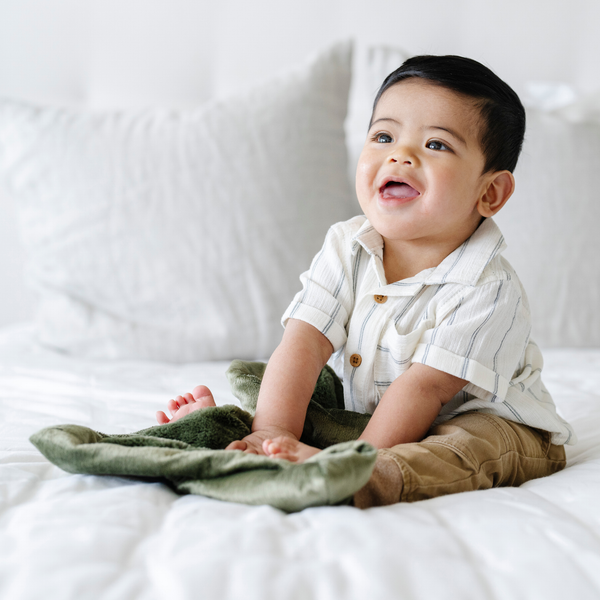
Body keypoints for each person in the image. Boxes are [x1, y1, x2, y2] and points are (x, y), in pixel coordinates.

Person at [156, 55, 575, 507]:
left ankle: (360, 475)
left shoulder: (488, 288)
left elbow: (424, 388)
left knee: (463, 449)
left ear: (489, 192)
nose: (400, 154)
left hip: (486, 422)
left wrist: (360, 456)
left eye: (435, 145)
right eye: (383, 136)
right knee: (296, 390)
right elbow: (304, 342)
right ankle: (246, 437)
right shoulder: (348, 244)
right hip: (376, 409)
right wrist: (271, 432)